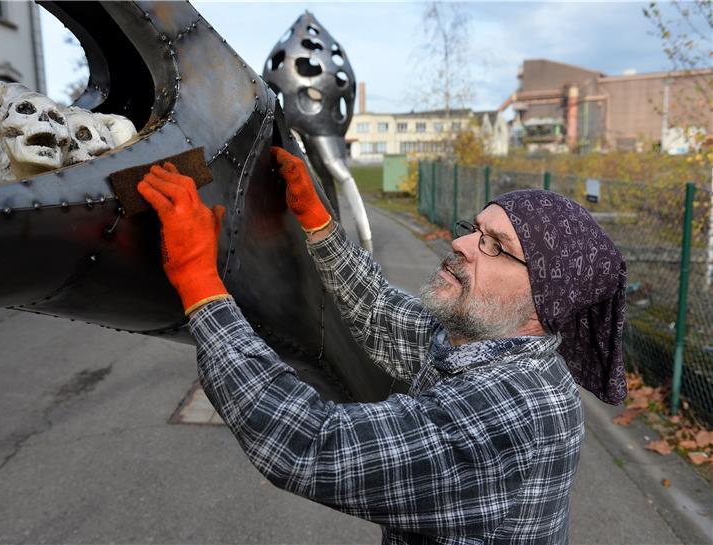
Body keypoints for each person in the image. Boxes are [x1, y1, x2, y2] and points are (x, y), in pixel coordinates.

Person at [136, 148, 627, 544]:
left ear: (546, 301)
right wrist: (317, 222)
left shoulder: (515, 409)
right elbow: (378, 309)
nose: (461, 245)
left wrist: (198, 281)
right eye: (474, 230)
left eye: (495, 245)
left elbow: (309, 443)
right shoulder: (482, 344)